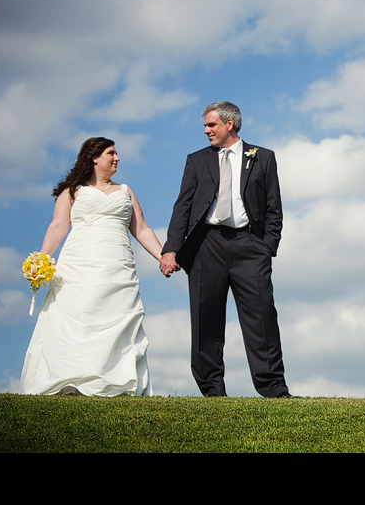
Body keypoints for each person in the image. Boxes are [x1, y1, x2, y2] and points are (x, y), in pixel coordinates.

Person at [161, 101, 292, 397]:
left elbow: (274, 208)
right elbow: (182, 207)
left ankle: (273, 389)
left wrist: (266, 246)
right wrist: (171, 249)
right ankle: (212, 391)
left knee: (262, 318)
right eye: (206, 126)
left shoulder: (263, 158)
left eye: (211, 125)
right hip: (206, 246)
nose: (206, 131)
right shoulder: (196, 160)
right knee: (205, 319)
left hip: (250, 246)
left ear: (229, 124)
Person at [21, 137, 162, 396]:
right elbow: (58, 226)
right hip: (78, 263)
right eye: (111, 153)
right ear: (94, 157)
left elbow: (141, 229)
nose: (117, 158)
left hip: (117, 264)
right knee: (77, 316)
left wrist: (163, 257)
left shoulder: (126, 191)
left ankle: (114, 382)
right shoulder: (72, 191)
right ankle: (68, 382)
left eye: (117, 153)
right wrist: (40, 260)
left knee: (114, 315)